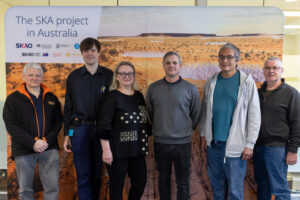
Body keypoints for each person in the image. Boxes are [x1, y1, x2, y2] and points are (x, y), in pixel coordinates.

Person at [199, 42, 261, 200]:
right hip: (214, 145)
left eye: (229, 57)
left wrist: (250, 144)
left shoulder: (246, 82)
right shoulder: (212, 82)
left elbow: (254, 115)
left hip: (236, 147)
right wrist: (203, 136)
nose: (225, 60)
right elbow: (205, 112)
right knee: (217, 188)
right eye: (222, 57)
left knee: (235, 191)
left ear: (237, 60)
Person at [3, 63, 62, 200]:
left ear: (42, 77)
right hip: (24, 150)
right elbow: (11, 125)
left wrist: (45, 141)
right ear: (24, 77)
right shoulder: (13, 99)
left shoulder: (51, 98)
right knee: (25, 190)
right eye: (31, 75)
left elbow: (58, 122)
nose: (34, 78)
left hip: (49, 148)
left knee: (52, 188)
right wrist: (33, 142)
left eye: (38, 75)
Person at [146, 51, 201, 200]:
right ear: (163, 65)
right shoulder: (153, 88)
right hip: (160, 143)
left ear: (180, 65)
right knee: (163, 179)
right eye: (168, 63)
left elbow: (195, 114)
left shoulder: (191, 89)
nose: (171, 66)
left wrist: (185, 129)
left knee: (183, 182)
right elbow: (150, 112)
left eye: (175, 63)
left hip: (183, 143)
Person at [63, 37, 113, 200]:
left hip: (102, 131)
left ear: (98, 52)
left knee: (97, 173)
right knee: (83, 175)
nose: (89, 53)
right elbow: (69, 109)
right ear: (82, 53)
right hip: (79, 130)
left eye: (93, 50)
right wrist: (68, 134)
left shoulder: (109, 75)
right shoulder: (73, 77)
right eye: (86, 50)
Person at [97, 61, 151, 200]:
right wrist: (106, 150)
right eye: (123, 73)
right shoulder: (112, 96)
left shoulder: (138, 96)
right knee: (116, 187)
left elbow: (144, 121)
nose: (127, 76)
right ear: (117, 76)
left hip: (137, 150)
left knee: (140, 182)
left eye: (130, 73)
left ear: (134, 76)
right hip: (117, 152)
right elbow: (104, 125)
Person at [253, 57, 300, 200]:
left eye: (275, 68)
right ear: (263, 71)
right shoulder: (257, 93)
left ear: (281, 71)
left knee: (279, 188)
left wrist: (292, 151)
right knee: (262, 186)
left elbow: (297, 123)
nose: (271, 71)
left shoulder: (291, 94)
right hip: (258, 147)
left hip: (277, 149)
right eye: (267, 68)